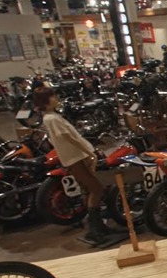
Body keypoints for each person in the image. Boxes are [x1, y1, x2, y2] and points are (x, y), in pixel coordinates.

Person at [33, 86, 112, 245]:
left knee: (91, 189)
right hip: (76, 158)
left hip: (75, 157)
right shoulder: (52, 119)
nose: (56, 99)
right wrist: (89, 152)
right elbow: (70, 138)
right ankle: (94, 229)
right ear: (46, 100)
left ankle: (99, 226)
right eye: (52, 96)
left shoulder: (52, 117)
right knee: (96, 189)